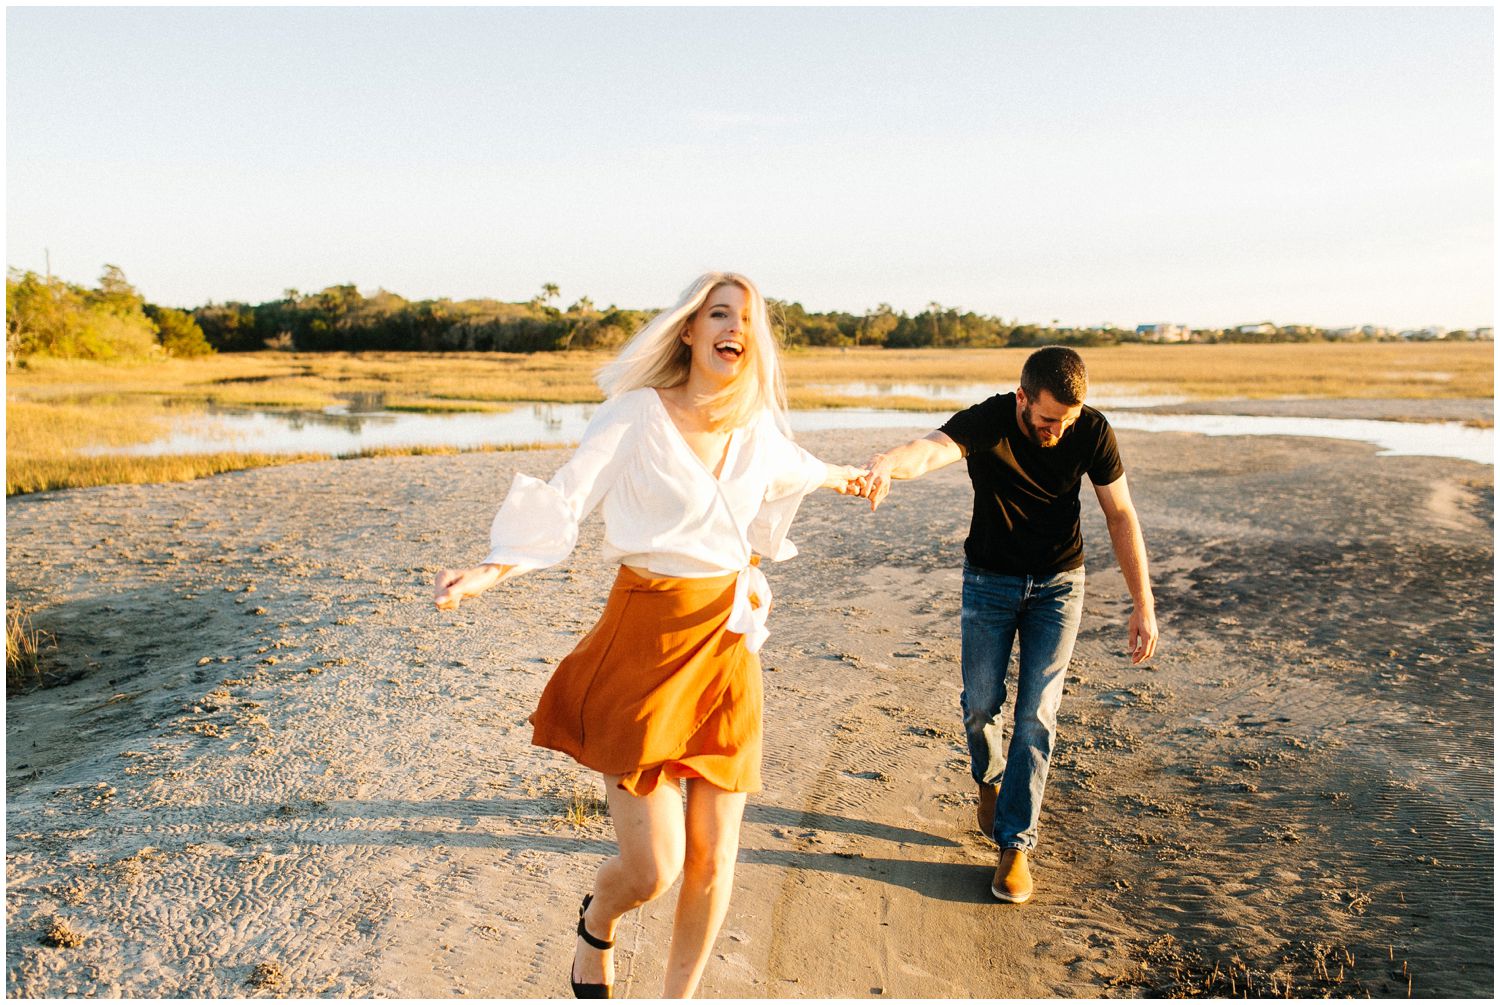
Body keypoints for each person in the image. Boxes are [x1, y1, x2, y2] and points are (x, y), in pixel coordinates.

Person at [433, 272, 865, 999]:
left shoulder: (759, 429)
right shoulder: (638, 414)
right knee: (652, 868)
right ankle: (598, 920)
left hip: (727, 648)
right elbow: (568, 494)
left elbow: (813, 471)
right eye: (718, 313)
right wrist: (491, 568)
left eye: (747, 319)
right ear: (689, 331)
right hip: (644, 645)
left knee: (714, 857)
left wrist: (858, 477)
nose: (734, 327)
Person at [858, 346, 1157, 904]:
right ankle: (990, 779)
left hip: (1059, 586)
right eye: (1048, 419)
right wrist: (884, 466)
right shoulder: (989, 419)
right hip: (989, 583)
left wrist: (1143, 602)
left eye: (1067, 420)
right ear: (1023, 398)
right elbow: (928, 452)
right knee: (980, 704)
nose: (1057, 430)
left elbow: (1120, 514)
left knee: (1037, 712)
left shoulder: (1091, 430)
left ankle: (1016, 845)